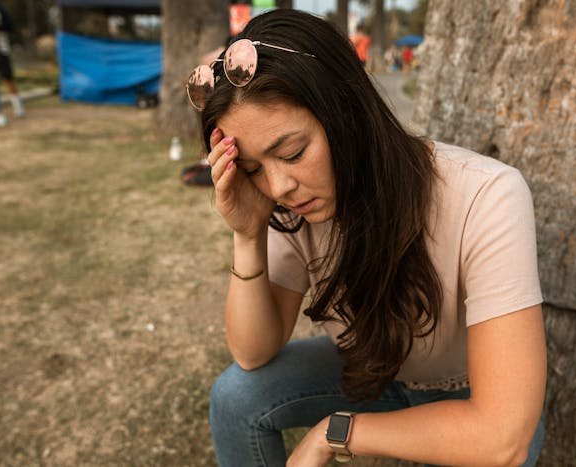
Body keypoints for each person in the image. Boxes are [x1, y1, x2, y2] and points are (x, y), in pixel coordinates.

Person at [192, 9, 546, 466]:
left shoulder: (487, 195)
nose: (278, 186)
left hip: (472, 395)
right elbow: (253, 352)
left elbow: (502, 438)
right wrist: (248, 233)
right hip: (372, 376)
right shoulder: (288, 206)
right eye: (254, 168)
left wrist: (333, 433)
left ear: (346, 112)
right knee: (237, 397)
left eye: (293, 152)